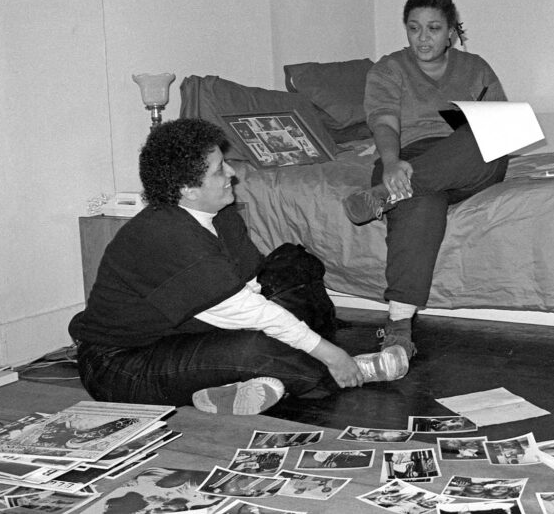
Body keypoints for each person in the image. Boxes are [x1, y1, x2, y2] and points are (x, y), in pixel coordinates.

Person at [69, 118, 406, 416]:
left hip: (185, 333)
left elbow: (253, 284)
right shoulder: (166, 236)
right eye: (219, 170)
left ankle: (237, 389)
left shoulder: (221, 212)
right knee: (259, 347)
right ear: (187, 189)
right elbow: (249, 311)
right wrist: (331, 353)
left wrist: (285, 318)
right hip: (121, 366)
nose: (231, 173)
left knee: (295, 267)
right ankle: (346, 370)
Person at [342, 0, 510, 357]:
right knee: (421, 203)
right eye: (414, 28)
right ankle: (399, 326)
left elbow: (499, 124)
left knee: (485, 141)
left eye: (433, 28)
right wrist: (390, 163)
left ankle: (386, 196)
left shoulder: (475, 67)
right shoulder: (389, 69)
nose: (423, 38)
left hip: (469, 160)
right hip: (409, 158)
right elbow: (384, 120)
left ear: (450, 31)